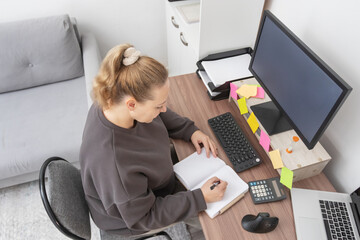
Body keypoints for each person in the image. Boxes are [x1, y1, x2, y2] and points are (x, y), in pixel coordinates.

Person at [79, 44, 228, 237]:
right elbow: (145, 217)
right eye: (159, 106)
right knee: (222, 222)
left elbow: (158, 115)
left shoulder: (113, 100)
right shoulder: (114, 163)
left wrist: (189, 130)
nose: (164, 110)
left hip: (152, 181)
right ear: (131, 104)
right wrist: (200, 198)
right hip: (137, 214)